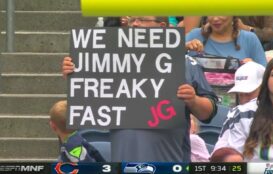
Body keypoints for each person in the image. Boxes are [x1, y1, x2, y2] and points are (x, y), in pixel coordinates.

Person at [62, 16, 218, 162]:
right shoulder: (110, 61)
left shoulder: (185, 63)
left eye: (142, 19)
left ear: (161, 27)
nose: (135, 24)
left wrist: (193, 100)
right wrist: (75, 75)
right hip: (124, 161)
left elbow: (208, 113)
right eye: (132, 20)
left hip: (169, 161)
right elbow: (90, 102)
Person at [213, 62, 265, 151]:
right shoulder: (235, 114)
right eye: (240, 95)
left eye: (248, 94)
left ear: (264, 88)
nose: (244, 100)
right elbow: (219, 152)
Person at [185, 16, 267, 66]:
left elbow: (264, 75)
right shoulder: (194, 35)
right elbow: (173, 62)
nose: (215, 18)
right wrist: (185, 47)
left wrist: (254, 68)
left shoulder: (250, 39)